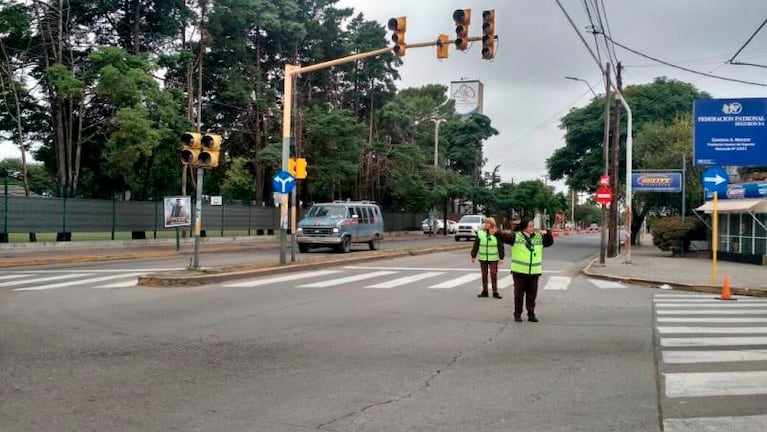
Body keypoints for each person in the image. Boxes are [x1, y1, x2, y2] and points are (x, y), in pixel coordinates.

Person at [498, 218, 554, 322]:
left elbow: (549, 242)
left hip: (534, 271)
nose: (532, 228)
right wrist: (496, 231)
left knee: (532, 294)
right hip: (519, 271)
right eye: (529, 226)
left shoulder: (538, 237)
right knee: (518, 294)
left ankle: (531, 314)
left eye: (532, 226)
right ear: (524, 227)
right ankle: (517, 314)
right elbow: (505, 236)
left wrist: (547, 233)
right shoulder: (516, 236)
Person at [470, 217, 505, 299]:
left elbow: (500, 246)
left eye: (488, 223)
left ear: (492, 224)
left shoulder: (496, 233)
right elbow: (476, 245)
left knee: (493, 274)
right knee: (484, 275)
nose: (486, 224)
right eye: (485, 223)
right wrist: (473, 255)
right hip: (483, 257)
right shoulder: (480, 233)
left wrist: (501, 257)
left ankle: (495, 291)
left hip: (493, 258)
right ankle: (485, 291)